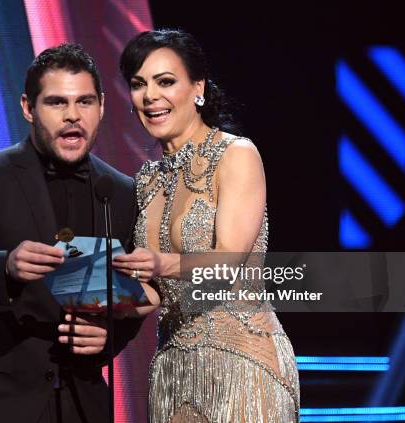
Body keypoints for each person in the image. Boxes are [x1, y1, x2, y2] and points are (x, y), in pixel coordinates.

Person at [0, 43, 150, 423]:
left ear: (101, 105)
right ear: (28, 108)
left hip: (81, 404)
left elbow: (131, 291)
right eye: (56, 103)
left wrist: (108, 339)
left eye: (84, 102)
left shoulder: (121, 191)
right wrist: (6, 267)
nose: (73, 116)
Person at [113, 29, 300, 422]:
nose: (150, 96)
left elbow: (227, 261)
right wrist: (94, 292)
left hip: (241, 366)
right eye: (138, 84)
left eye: (166, 82)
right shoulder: (147, 180)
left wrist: (159, 264)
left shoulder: (236, 154)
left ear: (197, 87)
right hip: (172, 372)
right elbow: (153, 294)